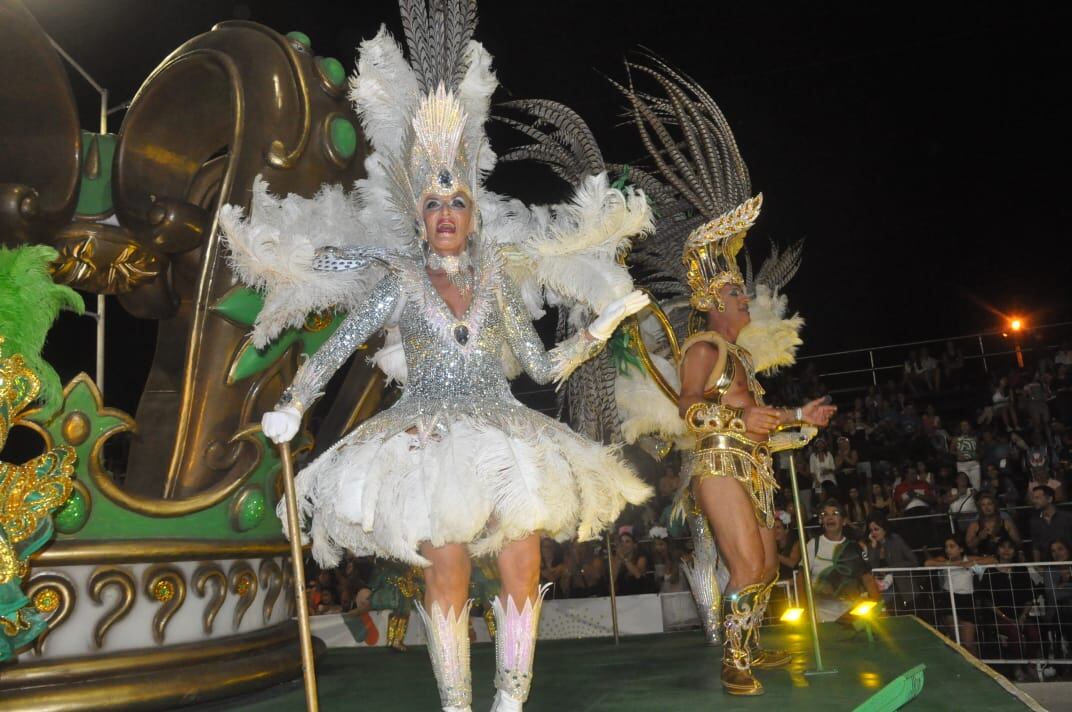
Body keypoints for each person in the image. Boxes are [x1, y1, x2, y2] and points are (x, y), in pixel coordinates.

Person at [234, 10, 655, 710]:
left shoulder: (496, 280)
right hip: (426, 435)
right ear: (421, 214)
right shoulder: (398, 279)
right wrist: (293, 404)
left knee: (522, 560)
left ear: (472, 211)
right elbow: (338, 347)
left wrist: (598, 330)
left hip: (503, 429)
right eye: (434, 204)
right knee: (447, 570)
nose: (446, 213)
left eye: (457, 200)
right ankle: (457, 705)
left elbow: (541, 369)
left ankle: (510, 702)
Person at [614, 59, 835, 696]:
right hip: (718, 468)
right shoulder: (705, 346)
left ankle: (749, 648)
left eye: (741, 292)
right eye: (735, 291)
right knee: (745, 564)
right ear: (711, 301)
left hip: (755, 467)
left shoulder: (740, 360)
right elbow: (689, 410)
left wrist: (800, 420)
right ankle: (732, 662)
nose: (745, 299)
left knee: (765, 566)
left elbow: (759, 420)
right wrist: (741, 419)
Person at [803, 501, 880, 622]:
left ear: (844, 521)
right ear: (821, 521)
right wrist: (805, 609)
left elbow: (868, 580)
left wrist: (878, 606)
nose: (829, 517)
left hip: (853, 618)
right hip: (821, 619)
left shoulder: (855, 548)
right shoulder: (813, 545)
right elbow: (801, 578)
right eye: (825, 514)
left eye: (835, 513)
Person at [925, 534, 995, 657]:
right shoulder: (944, 560)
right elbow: (928, 563)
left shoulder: (968, 558)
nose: (948, 550)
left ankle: (979, 669)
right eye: (946, 547)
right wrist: (952, 565)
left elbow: (993, 560)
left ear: (961, 549)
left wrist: (971, 563)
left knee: (969, 643)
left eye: (952, 546)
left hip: (967, 599)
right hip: (949, 598)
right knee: (957, 639)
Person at [980, 537, 1041, 679]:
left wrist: (1023, 616)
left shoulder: (1022, 570)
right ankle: (1017, 666)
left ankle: (1030, 665)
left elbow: (1029, 597)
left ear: (1015, 551)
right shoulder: (990, 572)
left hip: (1021, 615)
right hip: (998, 616)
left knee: (1034, 634)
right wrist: (1005, 618)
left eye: (1010, 547)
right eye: (1003, 547)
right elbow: (987, 601)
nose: (1006, 550)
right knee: (1015, 634)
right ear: (997, 550)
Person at [1030, 486, 1072, 562]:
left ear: (1049, 499)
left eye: (1037, 498)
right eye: (1033, 498)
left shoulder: (1067, 517)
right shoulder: (1034, 521)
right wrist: (1038, 565)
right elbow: (1036, 546)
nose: (1034, 501)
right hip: (1048, 566)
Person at [610, 527, 651, 595]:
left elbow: (638, 575)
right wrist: (619, 560)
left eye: (627, 541)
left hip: (640, 596)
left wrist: (624, 558)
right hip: (621, 597)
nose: (624, 545)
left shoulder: (641, 558)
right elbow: (612, 582)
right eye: (622, 542)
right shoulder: (616, 559)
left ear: (634, 545)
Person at [951, 421, 982, 490]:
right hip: (962, 464)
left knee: (976, 487)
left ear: (969, 427)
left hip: (974, 464)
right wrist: (957, 453)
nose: (965, 427)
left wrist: (978, 456)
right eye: (963, 425)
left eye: (966, 425)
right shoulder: (956, 439)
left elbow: (979, 451)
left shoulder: (975, 438)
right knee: (963, 485)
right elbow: (951, 451)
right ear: (960, 428)